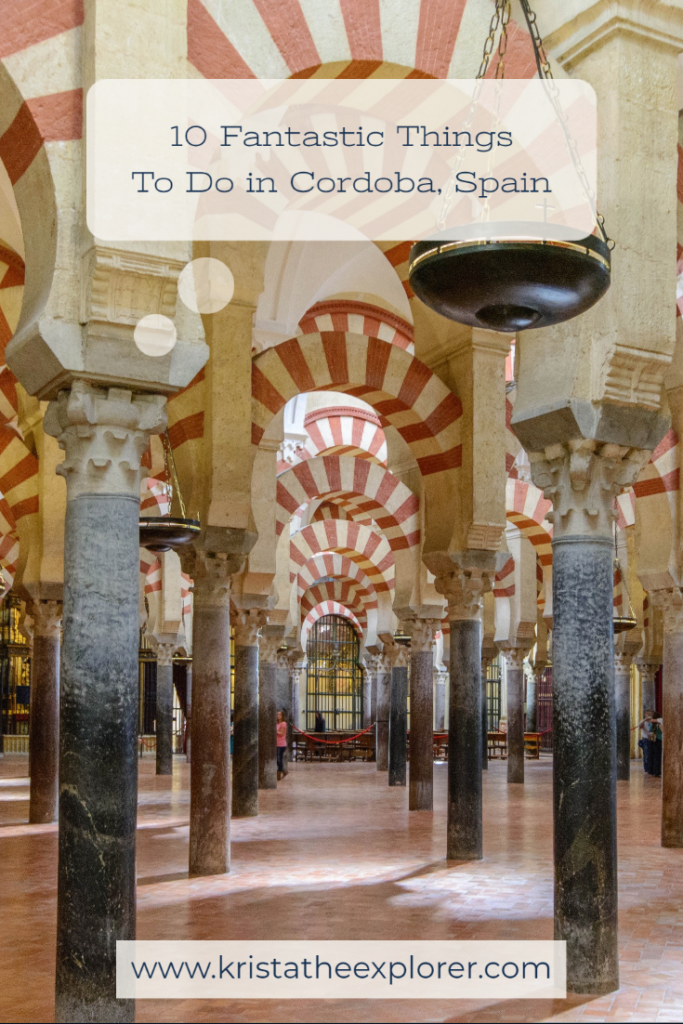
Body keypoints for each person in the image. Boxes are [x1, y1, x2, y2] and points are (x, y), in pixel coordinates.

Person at [276, 710, 288, 781]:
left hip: (281, 744)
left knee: (279, 759)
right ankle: (284, 771)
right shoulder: (277, 723)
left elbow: (281, 733)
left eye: (280, 715)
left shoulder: (283, 723)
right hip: (276, 743)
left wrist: (275, 730)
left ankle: (279, 774)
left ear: (282, 716)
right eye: (277, 714)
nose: (278, 716)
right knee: (277, 760)